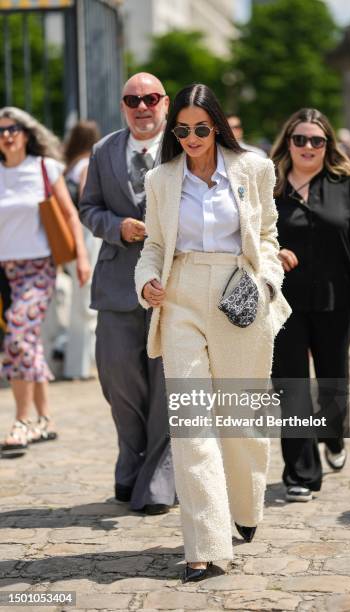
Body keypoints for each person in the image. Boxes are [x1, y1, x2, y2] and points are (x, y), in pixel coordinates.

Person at [135, 83, 291, 582]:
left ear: (217, 125)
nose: (192, 137)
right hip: (179, 296)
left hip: (239, 293)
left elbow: (267, 236)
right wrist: (147, 282)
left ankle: (245, 508)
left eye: (201, 128)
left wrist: (266, 283)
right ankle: (205, 543)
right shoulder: (161, 179)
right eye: (182, 129)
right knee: (191, 422)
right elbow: (154, 246)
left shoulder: (254, 168)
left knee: (242, 418)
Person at [270, 108, 350, 502]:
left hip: (337, 301)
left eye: (316, 141)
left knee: (335, 384)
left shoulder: (345, 185)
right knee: (292, 387)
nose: (307, 147)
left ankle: (333, 437)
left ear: (327, 146)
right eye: (299, 139)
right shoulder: (268, 186)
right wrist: (272, 250)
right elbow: (247, 235)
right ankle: (301, 472)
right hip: (282, 304)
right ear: (288, 142)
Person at [79, 72, 176, 514]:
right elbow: (88, 209)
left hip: (172, 288)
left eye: (151, 98)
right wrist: (115, 227)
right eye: (133, 99)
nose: (142, 106)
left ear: (165, 104)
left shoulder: (183, 149)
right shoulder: (103, 151)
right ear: (122, 106)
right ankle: (131, 459)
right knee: (119, 379)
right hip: (117, 286)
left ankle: (157, 479)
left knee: (166, 385)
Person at [0, 106, 91, 458]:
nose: (7, 135)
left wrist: (81, 258)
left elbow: (70, 214)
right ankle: (45, 419)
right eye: (2, 130)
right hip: (4, 272)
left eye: (13, 129)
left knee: (19, 334)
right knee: (28, 342)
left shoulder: (44, 167)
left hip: (37, 267)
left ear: (26, 134)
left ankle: (21, 421)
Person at [62, 120, 102, 379]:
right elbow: (89, 204)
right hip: (86, 237)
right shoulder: (87, 165)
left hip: (70, 239)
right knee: (86, 305)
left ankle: (77, 363)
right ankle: (83, 365)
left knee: (80, 304)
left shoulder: (69, 168)